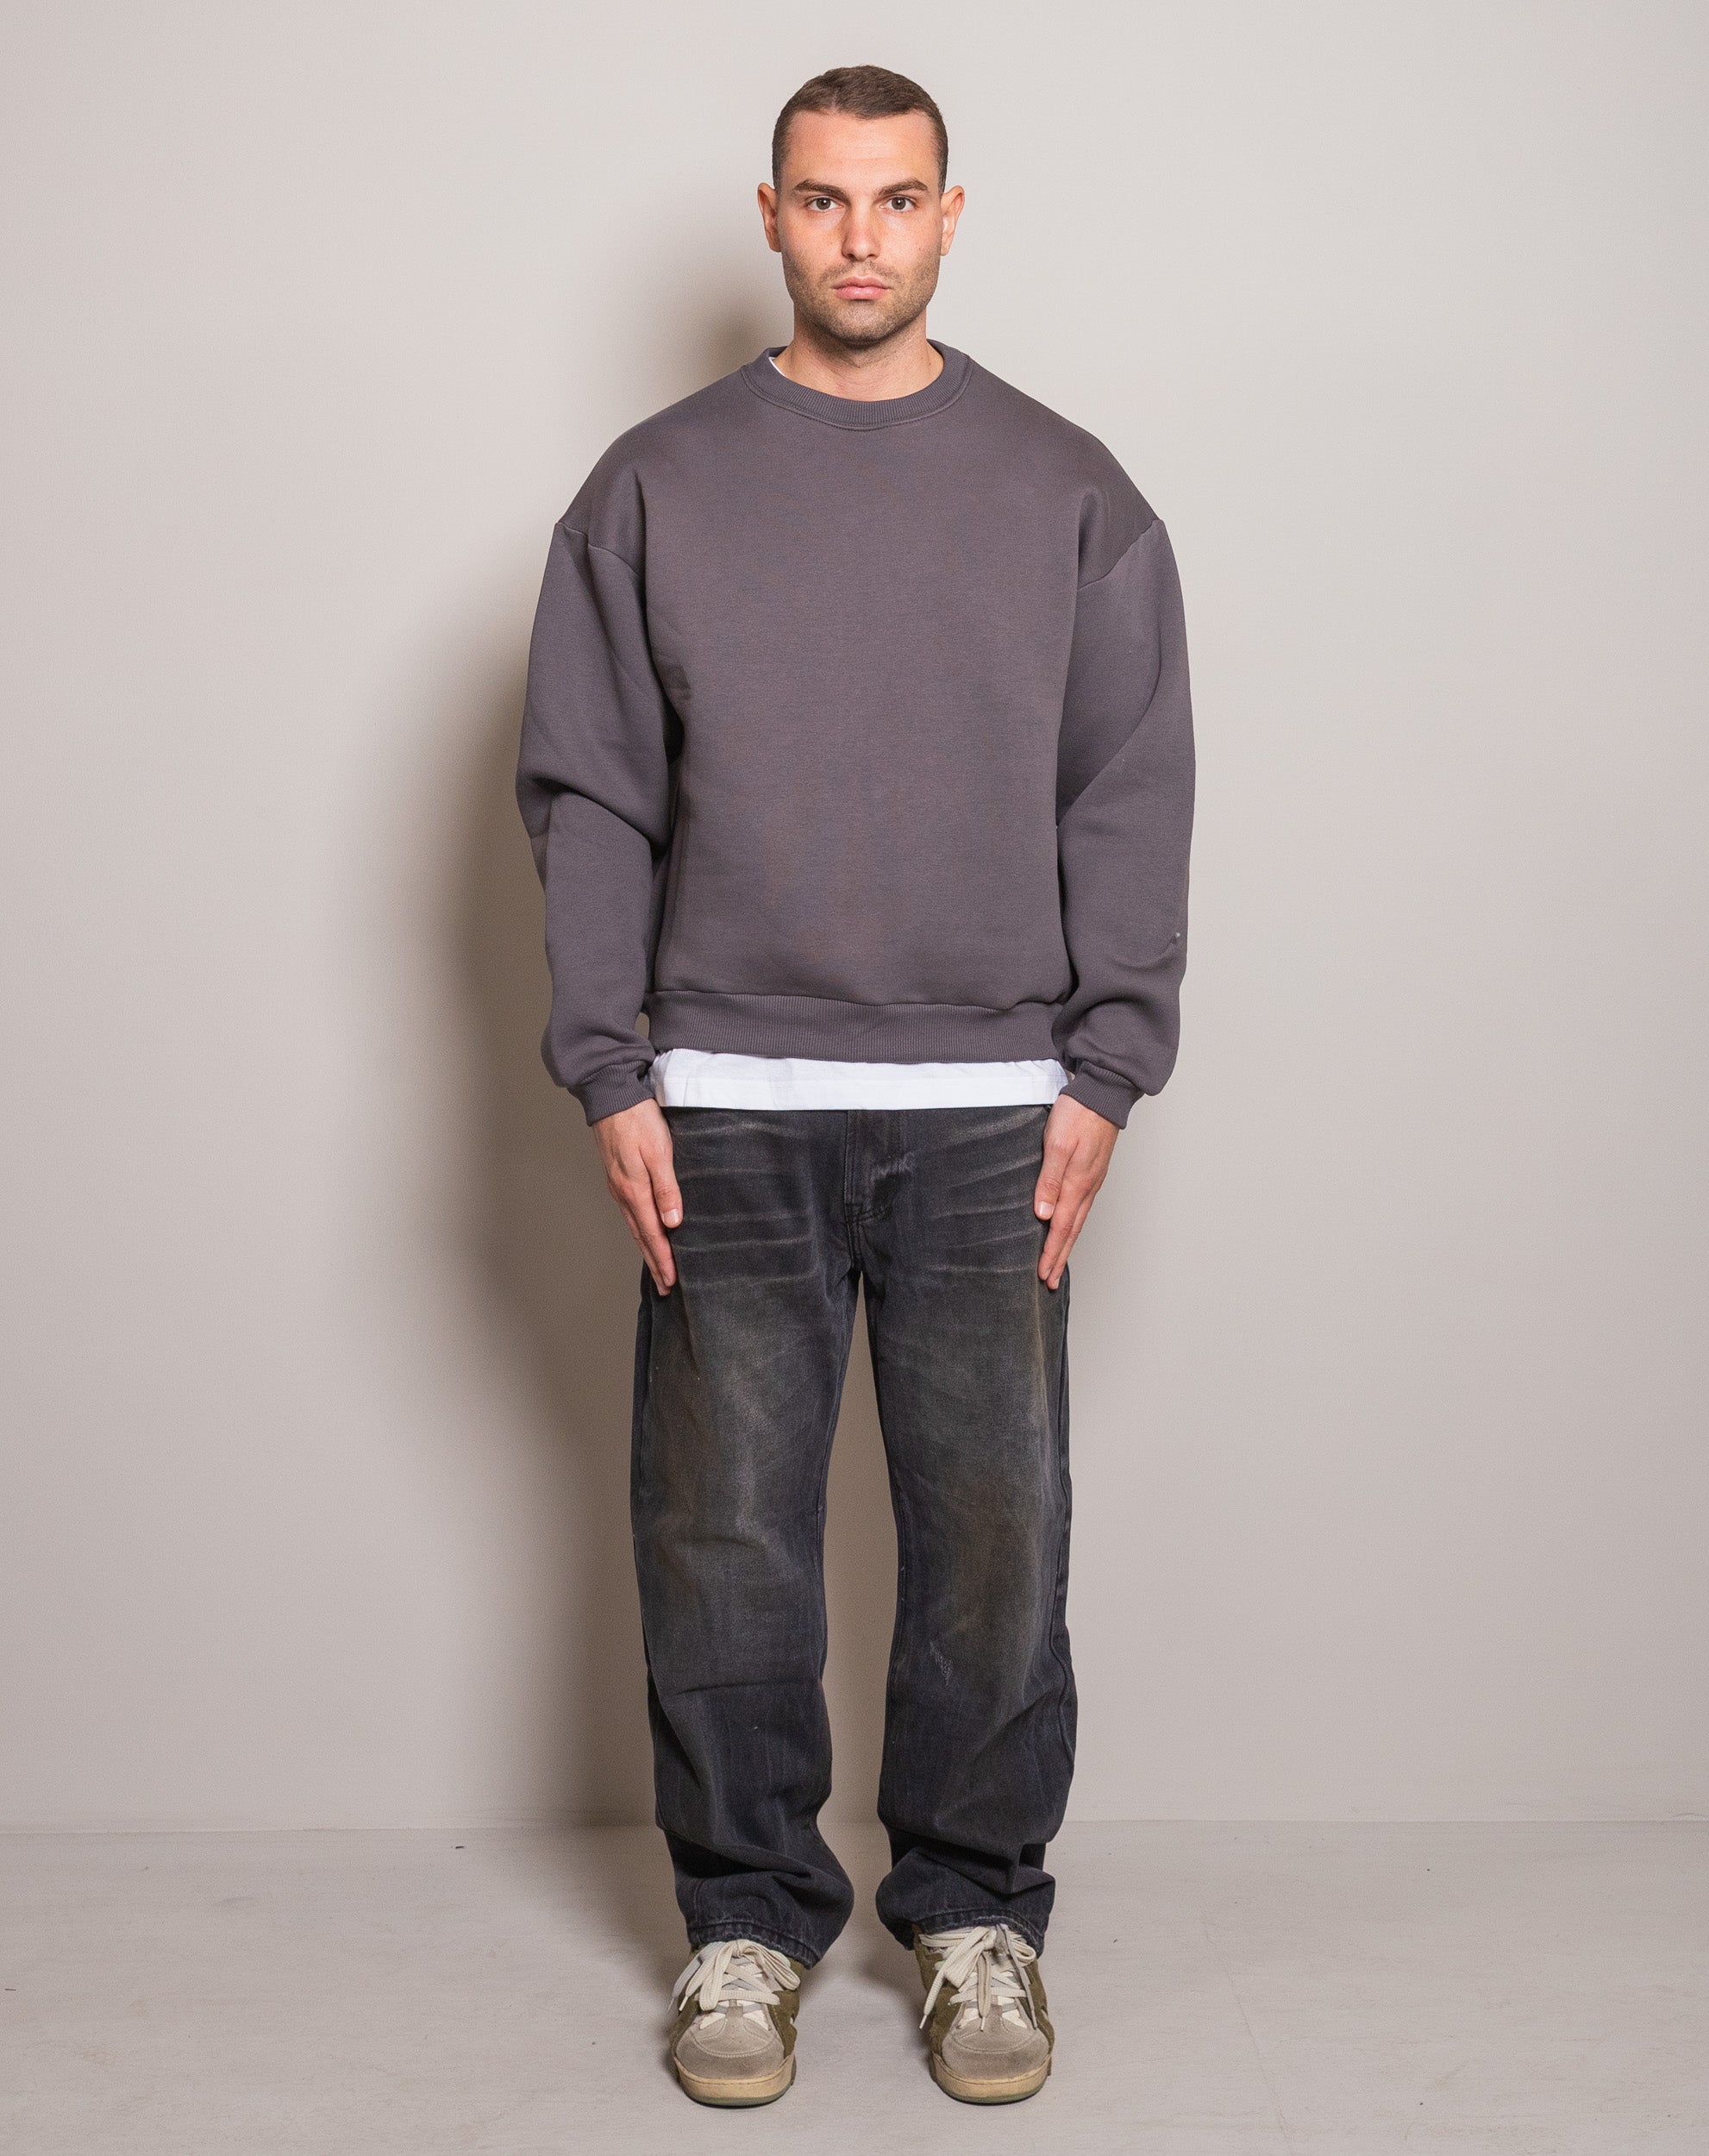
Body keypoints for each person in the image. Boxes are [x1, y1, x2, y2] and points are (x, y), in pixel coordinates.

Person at [515, 62, 1195, 2109]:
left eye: (897, 200)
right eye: (824, 200)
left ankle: (978, 1913)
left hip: (995, 1097)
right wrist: (609, 1067)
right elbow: (591, 792)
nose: (861, 237)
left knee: (993, 1534)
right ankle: (744, 1922)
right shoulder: (654, 486)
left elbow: (1126, 786)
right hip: (721, 1092)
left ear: (950, 215)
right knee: (722, 1535)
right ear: (771, 215)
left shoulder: (1067, 490)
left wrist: (1109, 1065)